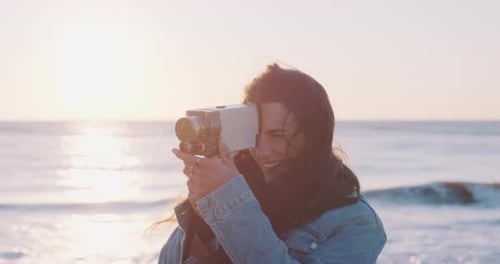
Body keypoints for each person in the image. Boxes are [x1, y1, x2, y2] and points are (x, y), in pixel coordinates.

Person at [159, 64, 386, 263]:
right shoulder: (238, 186)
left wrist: (230, 202)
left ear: (314, 137)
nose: (262, 152)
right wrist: (200, 221)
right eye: (255, 136)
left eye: (277, 135)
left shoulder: (356, 224)